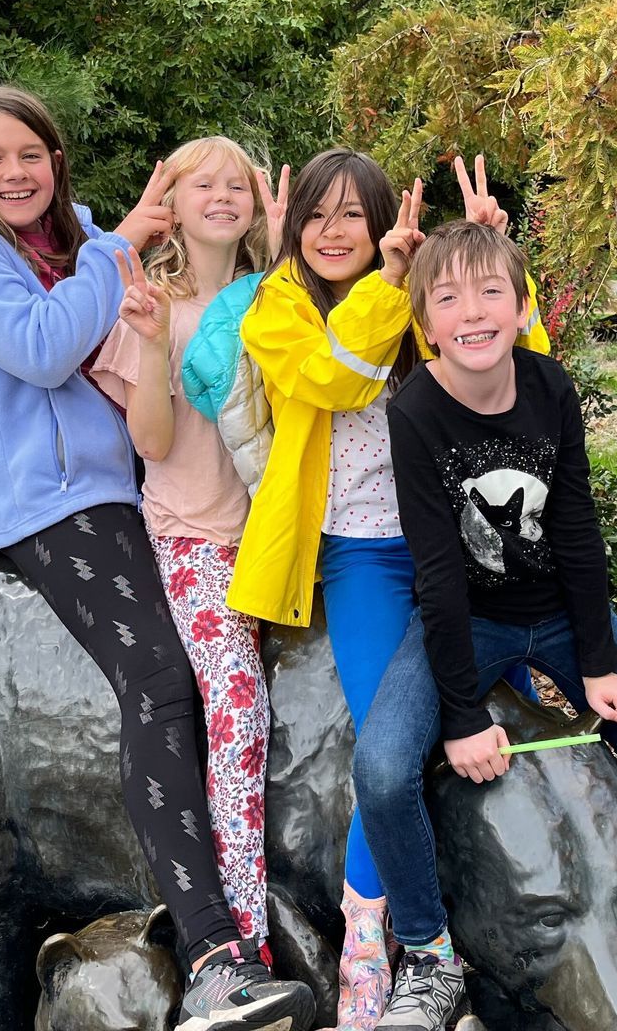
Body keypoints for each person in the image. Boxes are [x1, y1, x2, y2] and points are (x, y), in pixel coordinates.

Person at [0, 87, 314, 1031]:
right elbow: (46, 351)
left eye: (31, 155)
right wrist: (121, 241)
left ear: (56, 161)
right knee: (161, 678)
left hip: (128, 490)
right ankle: (218, 951)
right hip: (50, 500)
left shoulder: (81, 232)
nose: (15, 173)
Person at [352, 220, 617, 1031]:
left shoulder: (550, 388)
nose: (471, 312)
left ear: (521, 308)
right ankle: (432, 950)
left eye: (490, 293)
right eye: (447, 298)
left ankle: (564, 901)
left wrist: (598, 658)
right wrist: (464, 716)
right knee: (378, 772)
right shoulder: (414, 413)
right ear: (425, 321)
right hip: (467, 621)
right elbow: (439, 574)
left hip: (556, 613)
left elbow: (577, 528)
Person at [226, 151, 544, 1029]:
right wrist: (393, 287)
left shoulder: (429, 296)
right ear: (295, 228)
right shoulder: (277, 307)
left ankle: (505, 924)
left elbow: (518, 368)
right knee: (387, 748)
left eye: (354, 217)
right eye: (318, 216)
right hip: (361, 552)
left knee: (505, 725)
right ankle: (374, 949)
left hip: (462, 547)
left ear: (379, 226)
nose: (335, 232)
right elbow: (330, 377)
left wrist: (496, 269)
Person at [91, 136, 283, 950]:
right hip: (196, 538)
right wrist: (153, 343)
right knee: (237, 711)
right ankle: (244, 930)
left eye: (237, 184)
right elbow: (156, 445)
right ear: (169, 200)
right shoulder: (152, 302)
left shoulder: (276, 297)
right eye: (201, 183)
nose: (222, 195)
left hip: (280, 540)